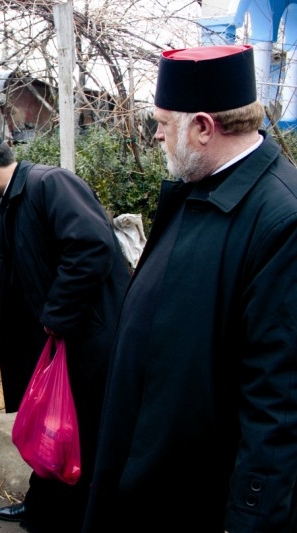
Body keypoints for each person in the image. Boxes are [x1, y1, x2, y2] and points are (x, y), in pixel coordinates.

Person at [84, 44, 297, 532]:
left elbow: (278, 407)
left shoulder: (282, 221)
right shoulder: (201, 185)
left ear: (203, 126)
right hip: (146, 473)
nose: (156, 134)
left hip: (191, 498)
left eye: (163, 121)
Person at [0, 119, 130, 532]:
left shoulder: (51, 185)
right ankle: (43, 507)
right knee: (51, 426)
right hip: (58, 340)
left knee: (79, 432)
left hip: (86, 342)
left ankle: (72, 516)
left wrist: (56, 315)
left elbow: (92, 248)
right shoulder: (13, 199)